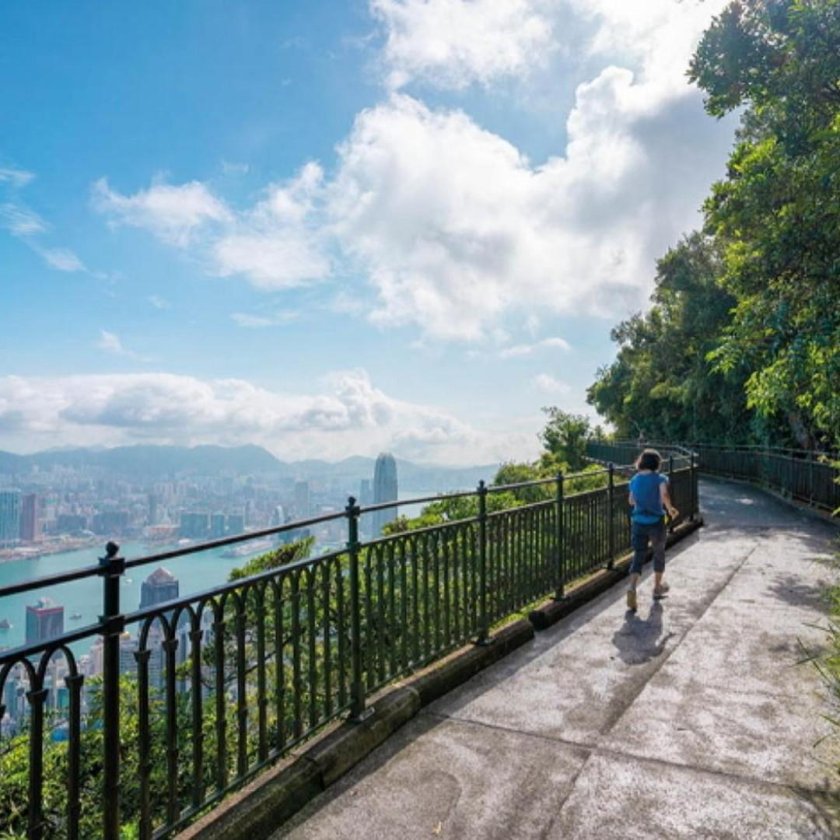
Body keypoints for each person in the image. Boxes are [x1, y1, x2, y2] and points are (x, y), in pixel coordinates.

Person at [626, 448, 678, 611]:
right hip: (656, 522)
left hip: (638, 522)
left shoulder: (634, 480)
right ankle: (657, 588)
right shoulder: (659, 478)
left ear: (641, 462)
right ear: (656, 463)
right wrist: (670, 509)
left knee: (638, 554)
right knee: (659, 552)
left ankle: (632, 587)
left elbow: (631, 501)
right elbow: (664, 495)